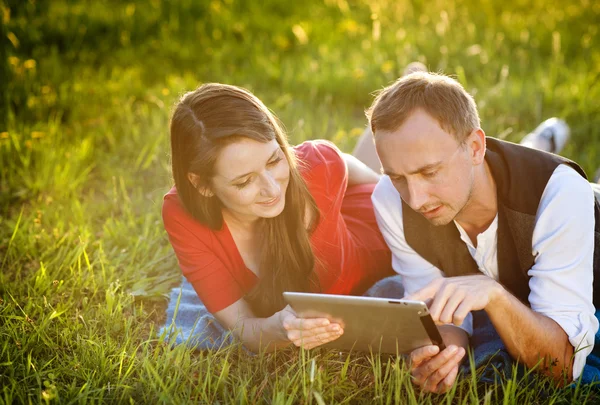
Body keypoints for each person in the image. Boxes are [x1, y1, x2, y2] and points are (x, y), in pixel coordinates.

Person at [366, 71, 599, 392]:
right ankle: (542, 138)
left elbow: (561, 366)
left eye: (430, 171)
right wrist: (444, 353)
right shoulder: (391, 201)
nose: (415, 199)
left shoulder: (557, 193)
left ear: (475, 146)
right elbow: (443, 315)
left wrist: (493, 294)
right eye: (397, 177)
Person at [162, 83, 393, 352]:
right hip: (339, 212)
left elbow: (338, 162)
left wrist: (388, 186)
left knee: (391, 163)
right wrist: (279, 328)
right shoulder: (183, 215)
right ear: (202, 185)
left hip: (374, 230)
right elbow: (245, 328)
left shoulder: (314, 166)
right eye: (244, 181)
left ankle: (402, 95)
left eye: (274, 161)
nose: (272, 190)